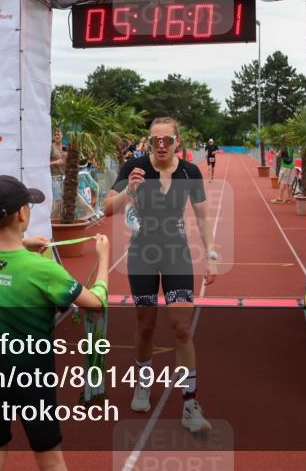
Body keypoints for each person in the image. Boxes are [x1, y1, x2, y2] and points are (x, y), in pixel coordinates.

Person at [0, 175, 109, 470]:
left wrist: (21, 242)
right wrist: (104, 259)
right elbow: (95, 304)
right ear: (22, 214)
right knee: (51, 460)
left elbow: (4, 261)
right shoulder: (44, 269)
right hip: (32, 376)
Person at [103, 117, 218, 434]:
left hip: (177, 254)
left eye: (167, 138)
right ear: (149, 141)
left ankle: (190, 403)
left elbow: (203, 215)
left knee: (182, 329)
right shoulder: (135, 167)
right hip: (142, 253)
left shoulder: (188, 172)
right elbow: (107, 208)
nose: (162, 144)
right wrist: (129, 189)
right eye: (156, 139)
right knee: (146, 324)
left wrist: (210, 255)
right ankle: (143, 383)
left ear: (178, 141)